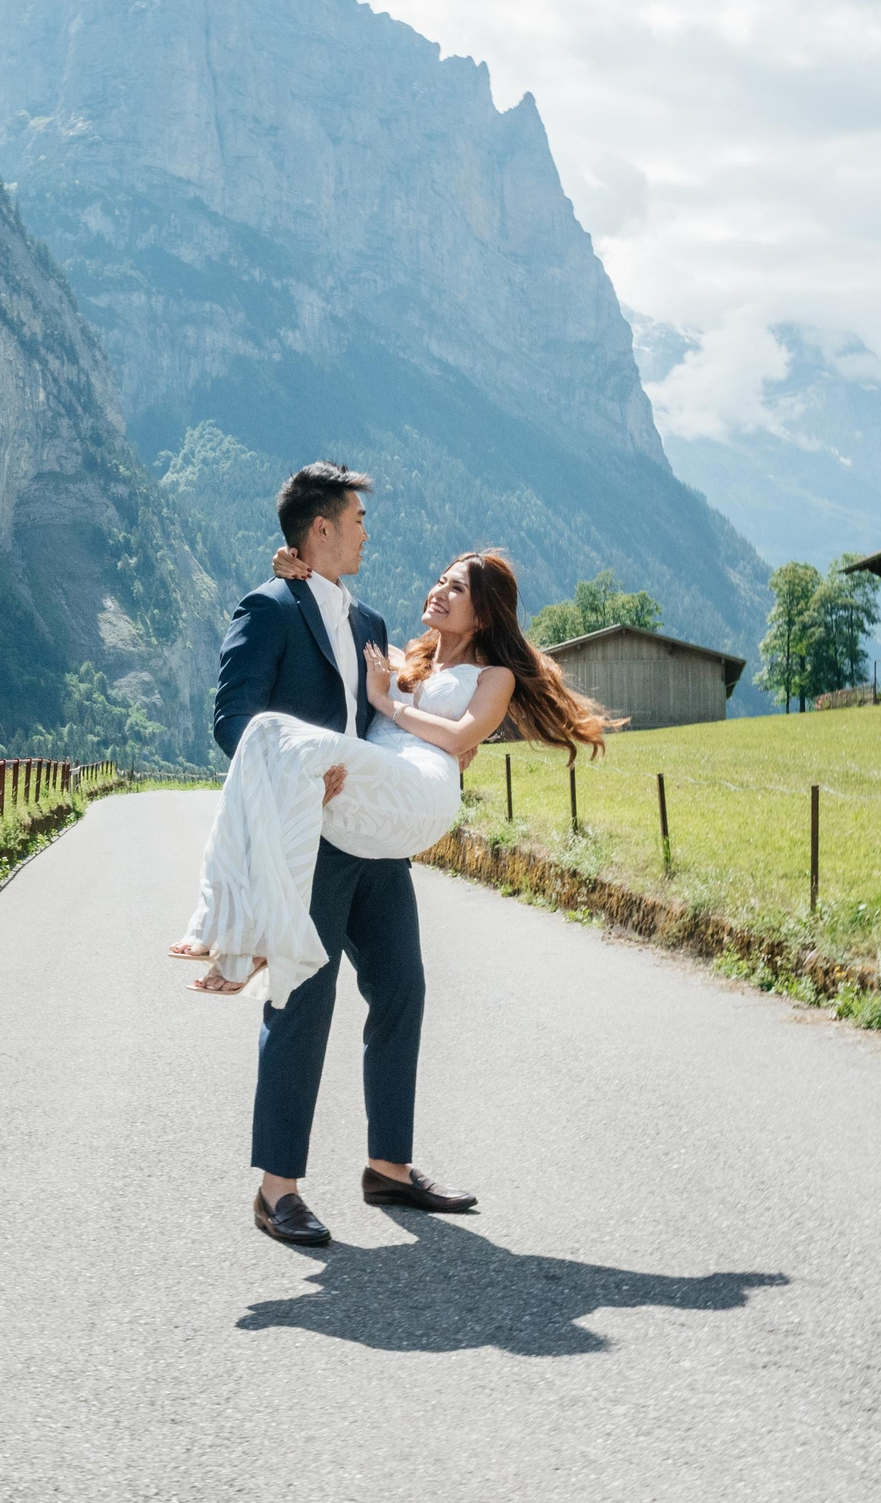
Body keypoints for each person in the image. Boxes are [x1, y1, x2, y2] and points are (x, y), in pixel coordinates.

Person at [184, 462, 614, 1246]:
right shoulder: (269, 608)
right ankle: (277, 1188)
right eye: (354, 520)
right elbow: (234, 720)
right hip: (313, 836)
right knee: (302, 998)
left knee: (402, 987)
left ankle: (387, 1166)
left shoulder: (372, 622)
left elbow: (407, 709)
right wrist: (294, 781)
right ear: (320, 530)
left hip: (376, 840)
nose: (366, 532)